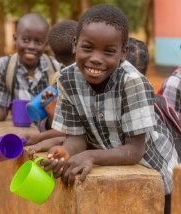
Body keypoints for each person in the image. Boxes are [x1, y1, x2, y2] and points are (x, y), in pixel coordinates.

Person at [38, 4, 179, 214]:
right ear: (75, 45)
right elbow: (76, 137)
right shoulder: (67, 79)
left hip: (156, 177)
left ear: (123, 53)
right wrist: (66, 151)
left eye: (109, 51)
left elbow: (135, 150)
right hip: (117, 177)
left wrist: (91, 156)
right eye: (88, 47)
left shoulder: (132, 82)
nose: (96, 58)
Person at [0, 13, 61, 140]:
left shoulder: (56, 68)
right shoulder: (4, 66)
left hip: (45, 136)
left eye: (38, 42)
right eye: (25, 40)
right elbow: (0, 110)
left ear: (46, 44)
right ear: (15, 38)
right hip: (17, 134)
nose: (31, 46)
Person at [20, 20, 78, 158]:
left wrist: (40, 136)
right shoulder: (60, 80)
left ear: (56, 58)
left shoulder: (59, 80)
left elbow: (73, 129)